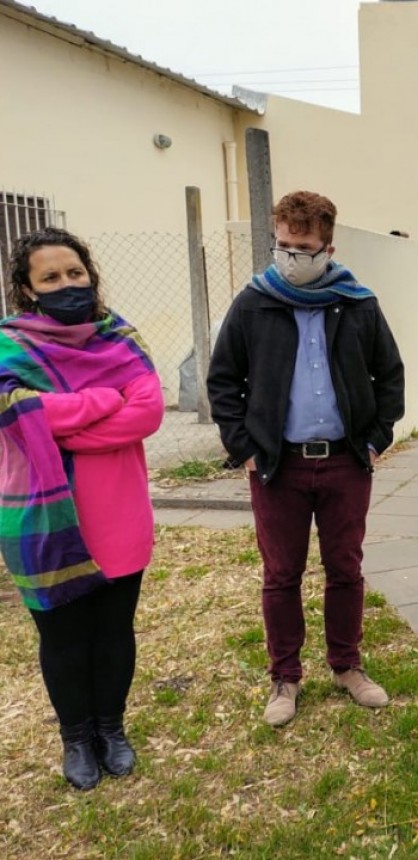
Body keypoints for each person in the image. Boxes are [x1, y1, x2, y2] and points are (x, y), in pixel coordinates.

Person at [207, 190, 405, 727]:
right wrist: (243, 446)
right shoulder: (254, 301)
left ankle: (347, 666)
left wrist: (375, 437)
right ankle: (285, 677)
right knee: (281, 574)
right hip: (278, 466)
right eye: (284, 246)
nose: (291, 257)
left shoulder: (358, 302)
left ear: (327, 248)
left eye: (304, 247)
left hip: (344, 461)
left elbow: (389, 375)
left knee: (345, 568)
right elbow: (223, 379)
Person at [1, 227, 164, 790]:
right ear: (27, 289)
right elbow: (16, 415)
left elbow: (146, 414)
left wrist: (59, 420)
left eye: (75, 273)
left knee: (114, 630)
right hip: (41, 523)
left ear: (90, 275)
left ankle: (111, 730)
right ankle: (76, 738)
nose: (67, 284)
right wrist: (102, 402)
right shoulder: (10, 349)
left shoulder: (121, 339)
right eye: (50, 277)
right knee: (64, 638)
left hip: (117, 513)